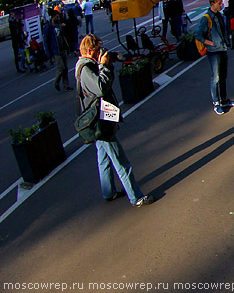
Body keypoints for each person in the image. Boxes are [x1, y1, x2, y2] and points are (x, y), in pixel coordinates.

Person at [75, 34, 154, 207]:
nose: (99, 54)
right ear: (89, 51)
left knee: (103, 157)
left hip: (101, 117)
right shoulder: (86, 69)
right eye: (97, 51)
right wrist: (103, 66)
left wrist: (106, 66)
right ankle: (136, 197)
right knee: (120, 160)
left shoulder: (89, 66)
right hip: (100, 121)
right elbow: (102, 88)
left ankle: (108, 191)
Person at [195, 0, 234, 115]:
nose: (221, 5)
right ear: (212, 4)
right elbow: (198, 35)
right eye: (219, 3)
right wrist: (211, 43)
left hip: (222, 48)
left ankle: (224, 99)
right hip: (214, 51)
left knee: (223, 76)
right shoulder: (207, 18)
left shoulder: (219, 15)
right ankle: (216, 102)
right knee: (216, 78)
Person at [44, 12, 72, 92]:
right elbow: (46, 41)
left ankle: (66, 85)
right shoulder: (48, 28)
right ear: (52, 17)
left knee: (65, 68)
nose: (58, 18)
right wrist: (48, 53)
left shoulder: (59, 25)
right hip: (56, 50)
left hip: (63, 48)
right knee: (61, 68)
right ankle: (57, 81)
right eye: (56, 17)